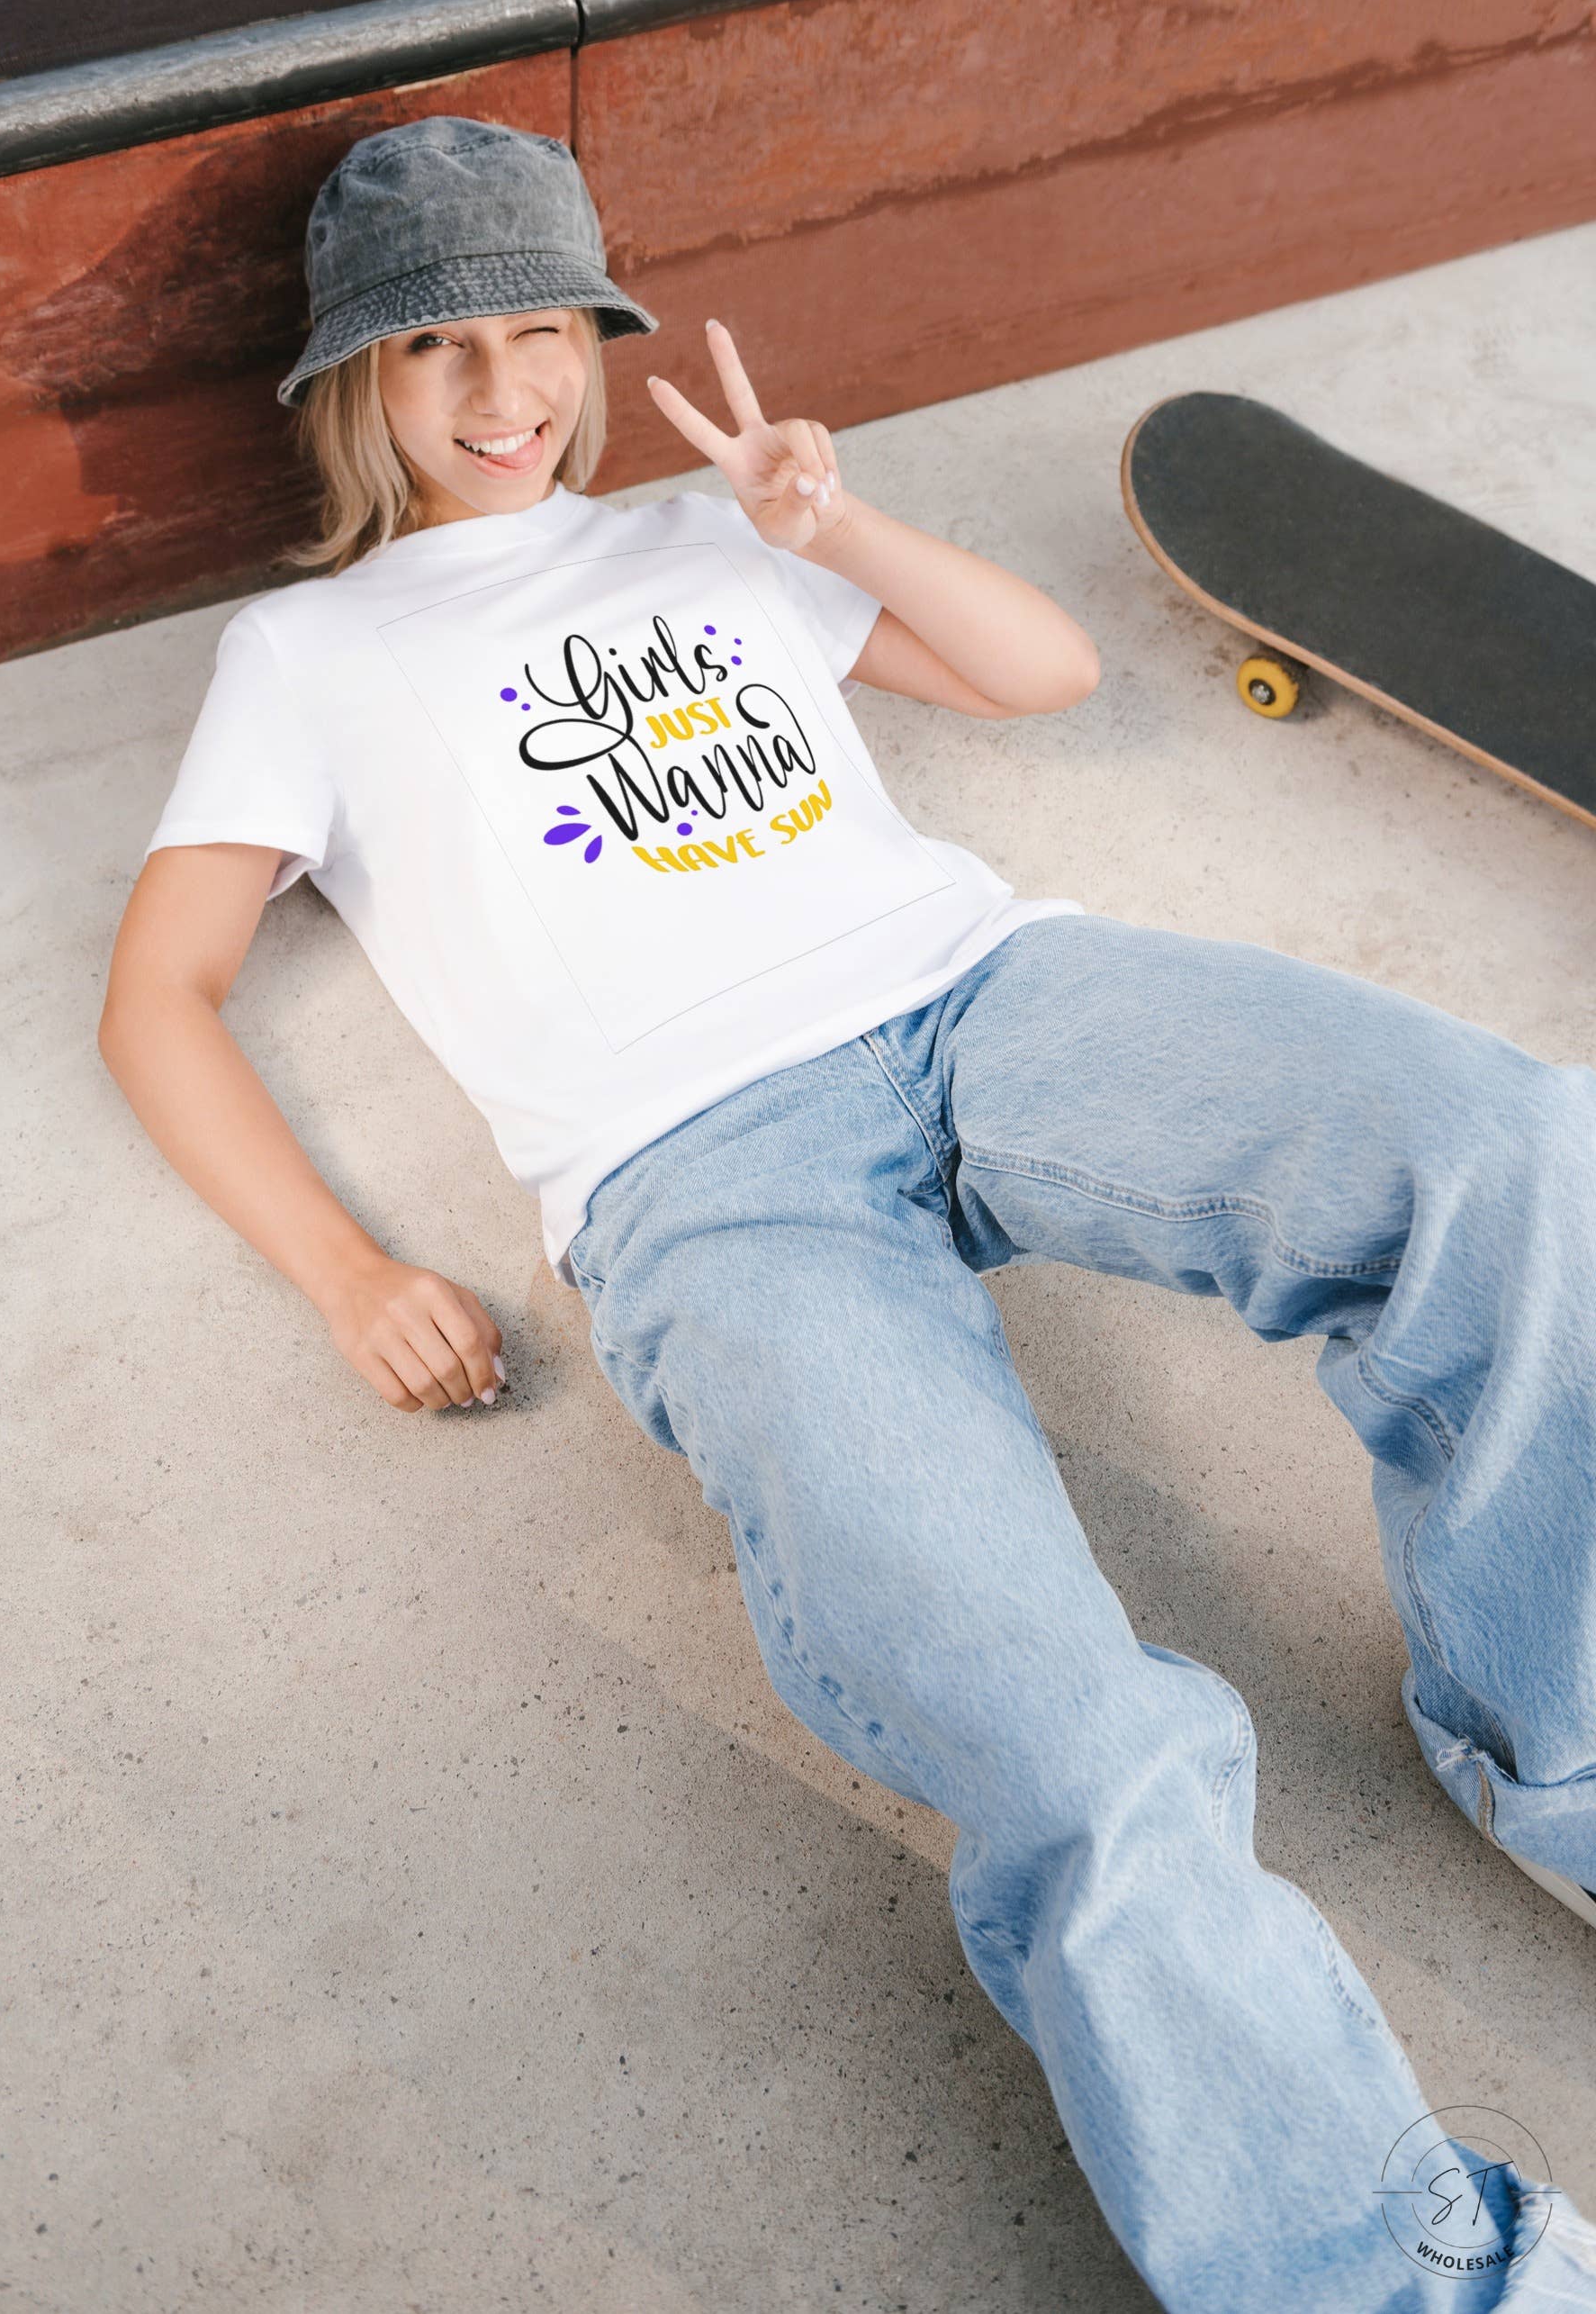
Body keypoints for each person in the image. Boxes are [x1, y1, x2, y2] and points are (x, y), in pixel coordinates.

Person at [98, 115, 1596, 2310]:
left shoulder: (704, 538)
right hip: (705, 1172)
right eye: (435, 347)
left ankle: (1569, 1745)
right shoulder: (303, 655)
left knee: (1511, 1146)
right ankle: (1399, 2281)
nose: (503, 390)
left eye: (540, 330)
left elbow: (1041, 672)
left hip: (986, 1000)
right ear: (353, 379)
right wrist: (347, 1273)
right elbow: (158, 994)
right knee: (1058, 1727)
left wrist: (828, 522)